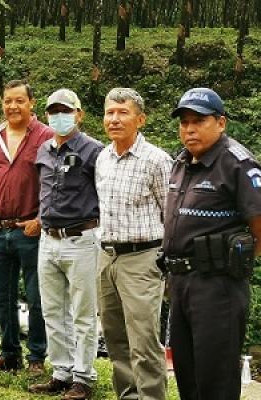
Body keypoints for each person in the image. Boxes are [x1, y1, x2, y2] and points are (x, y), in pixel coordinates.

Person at [164, 88, 261, 400]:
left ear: (221, 122)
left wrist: (236, 263)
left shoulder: (237, 164)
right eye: (184, 122)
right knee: (187, 374)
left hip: (218, 286)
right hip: (181, 281)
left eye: (198, 121)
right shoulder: (181, 162)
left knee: (216, 379)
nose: (189, 129)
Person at [95, 88, 172, 400]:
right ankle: (127, 395)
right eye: (110, 112)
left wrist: (166, 266)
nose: (115, 119)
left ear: (140, 119)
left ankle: (152, 397)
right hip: (107, 256)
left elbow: (171, 217)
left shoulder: (157, 161)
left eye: (123, 112)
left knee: (144, 340)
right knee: (115, 338)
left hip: (142, 258)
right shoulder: (103, 157)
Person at [28, 89, 103, 400]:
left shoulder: (94, 151)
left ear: (79, 114)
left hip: (81, 238)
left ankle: (83, 376)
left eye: (66, 111)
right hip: (48, 238)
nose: (59, 116)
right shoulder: (44, 149)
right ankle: (61, 371)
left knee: (83, 313)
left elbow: (104, 194)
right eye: (53, 111)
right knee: (53, 309)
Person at [0, 79, 52, 374]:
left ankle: (36, 356)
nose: (13, 106)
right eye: (8, 100)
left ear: (31, 103)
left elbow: (55, 183)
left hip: (30, 230)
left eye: (19, 100)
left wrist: (41, 220)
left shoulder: (45, 136)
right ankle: (9, 353)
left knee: (36, 297)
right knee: (1, 295)